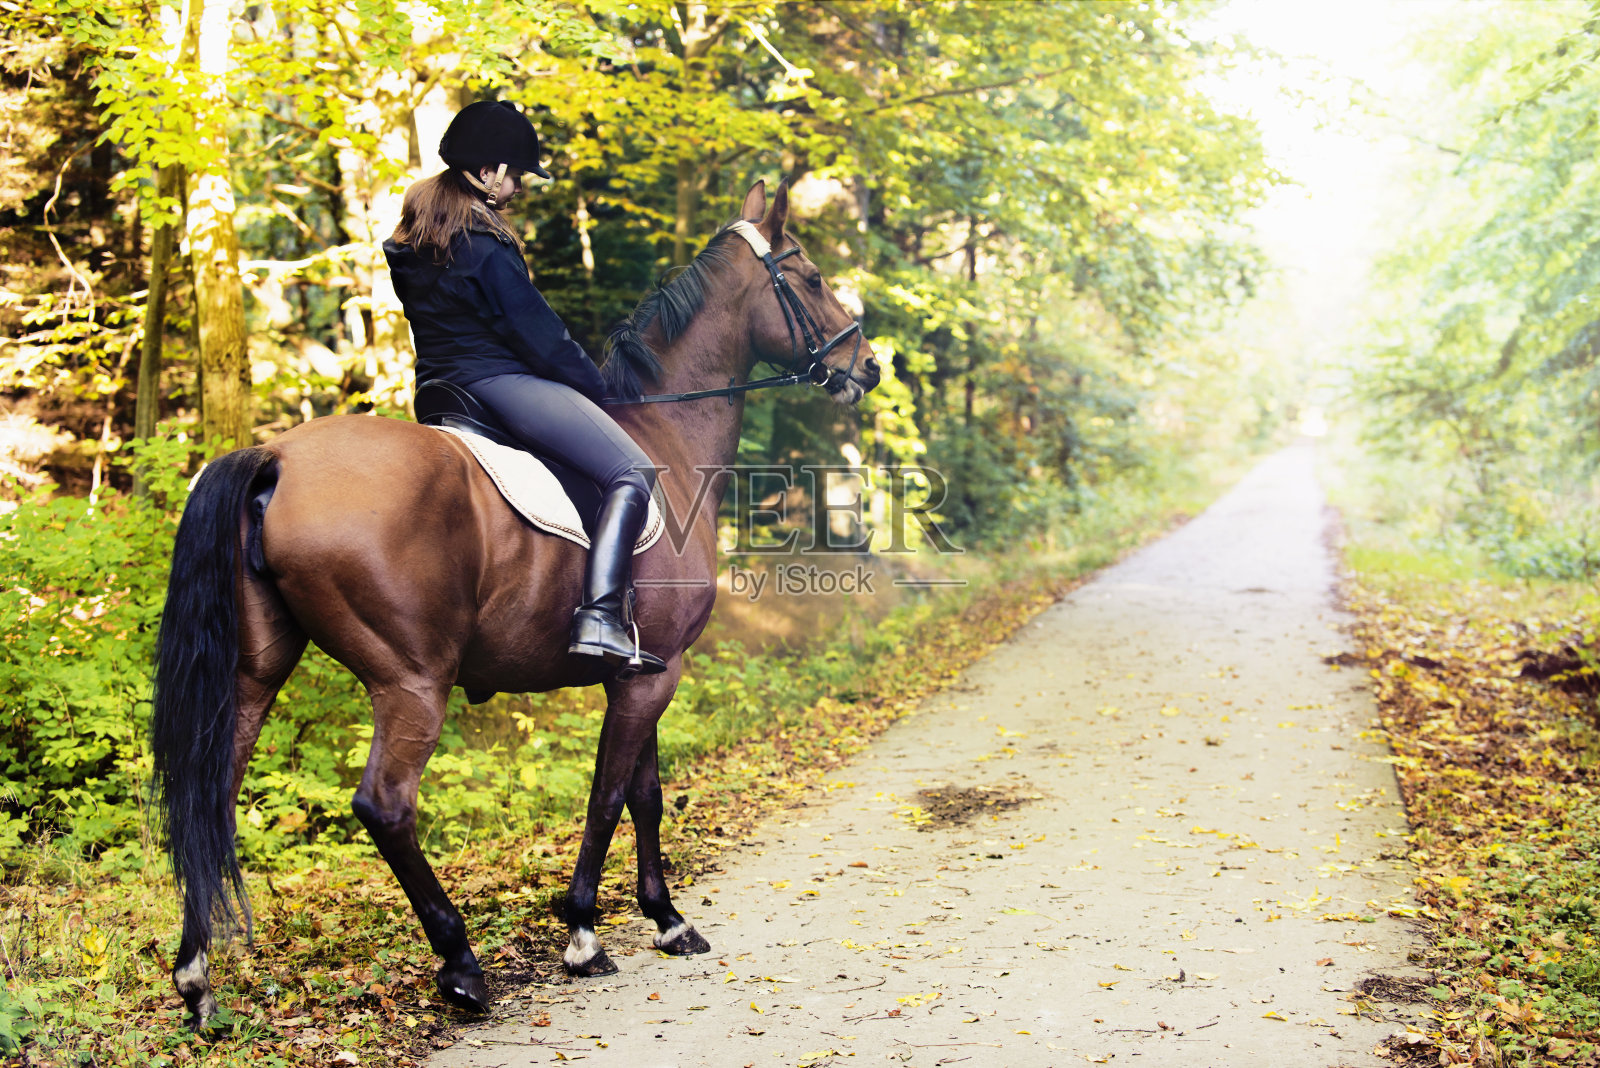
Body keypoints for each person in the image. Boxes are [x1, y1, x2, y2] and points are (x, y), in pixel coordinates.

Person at [382, 100, 666, 678]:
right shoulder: (485, 245)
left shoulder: (415, 238)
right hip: (498, 384)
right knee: (632, 472)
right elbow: (544, 340)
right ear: (486, 172)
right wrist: (599, 389)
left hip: (437, 390)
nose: (518, 188)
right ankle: (601, 618)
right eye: (514, 175)